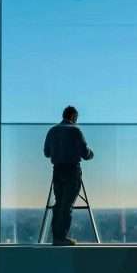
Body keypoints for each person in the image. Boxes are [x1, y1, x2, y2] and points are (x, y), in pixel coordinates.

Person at [43, 105, 94, 246]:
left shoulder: (52, 131)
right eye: (76, 118)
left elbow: (46, 153)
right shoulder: (75, 130)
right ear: (73, 116)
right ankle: (62, 238)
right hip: (72, 170)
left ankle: (56, 237)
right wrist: (91, 154)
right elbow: (85, 153)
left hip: (57, 170)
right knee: (67, 205)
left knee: (59, 204)